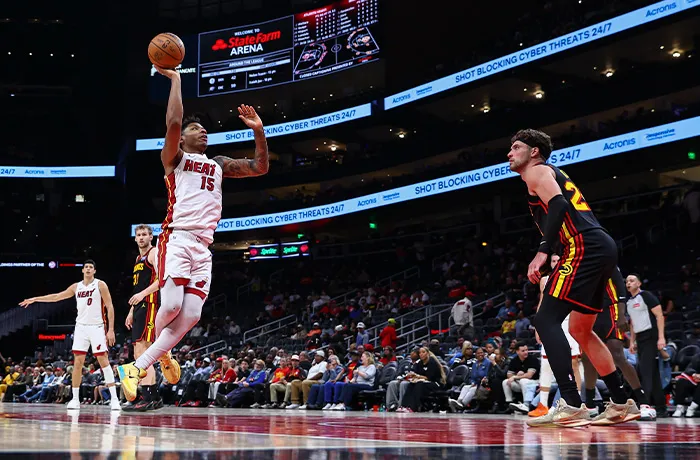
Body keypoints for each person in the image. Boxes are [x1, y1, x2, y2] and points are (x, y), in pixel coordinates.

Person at [118, 65, 269, 402]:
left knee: (192, 314)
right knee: (170, 305)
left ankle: (139, 364)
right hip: (178, 236)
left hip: (204, 247)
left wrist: (258, 131)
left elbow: (260, 167)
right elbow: (173, 122)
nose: (203, 133)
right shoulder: (176, 160)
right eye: (196, 130)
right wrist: (175, 80)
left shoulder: (218, 164)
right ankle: (162, 352)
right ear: (182, 139)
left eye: (204, 130)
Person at [508, 129, 638, 427]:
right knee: (580, 329)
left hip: (583, 246)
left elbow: (559, 205)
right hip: (601, 245)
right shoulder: (551, 172)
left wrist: (542, 251)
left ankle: (571, 403)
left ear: (535, 151)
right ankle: (620, 402)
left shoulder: (535, 171)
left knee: (544, 320)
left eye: (516, 147)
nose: (510, 153)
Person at [19, 260, 121, 411]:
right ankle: (75, 399)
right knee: (77, 363)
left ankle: (114, 399)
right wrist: (36, 299)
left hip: (97, 326)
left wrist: (110, 329)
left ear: (94, 271)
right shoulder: (76, 287)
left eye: (90, 267)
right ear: (82, 271)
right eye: (85, 267)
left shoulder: (100, 285)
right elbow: (57, 296)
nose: (87, 269)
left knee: (103, 361)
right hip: (80, 327)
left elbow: (110, 306)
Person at [582, 268, 657, 419]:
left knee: (617, 354)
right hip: (589, 311)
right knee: (588, 358)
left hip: (611, 309)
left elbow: (620, 287)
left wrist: (622, 314)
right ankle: (589, 405)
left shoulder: (606, 258)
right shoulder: (581, 264)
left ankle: (643, 402)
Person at [527, 254, 582, 419]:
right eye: (553, 261)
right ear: (550, 264)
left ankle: (576, 402)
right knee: (546, 362)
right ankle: (543, 404)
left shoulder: (573, 277)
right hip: (550, 322)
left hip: (569, 322)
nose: (556, 263)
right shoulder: (545, 280)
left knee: (573, 362)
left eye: (559, 260)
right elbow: (542, 304)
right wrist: (538, 327)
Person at [124, 224, 162, 411]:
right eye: (138, 235)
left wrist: (142, 296)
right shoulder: (138, 258)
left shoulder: (154, 253)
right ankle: (152, 397)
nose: (141, 237)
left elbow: (161, 279)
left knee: (144, 353)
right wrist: (131, 311)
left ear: (151, 237)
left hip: (151, 305)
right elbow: (137, 290)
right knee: (138, 353)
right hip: (140, 306)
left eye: (144, 234)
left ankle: (149, 397)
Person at [626, 274, 668, 418]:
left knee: (644, 370)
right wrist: (632, 341)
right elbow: (632, 322)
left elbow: (659, 316)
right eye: (626, 281)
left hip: (651, 336)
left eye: (631, 281)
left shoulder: (646, 296)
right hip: (641, 338)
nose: (628, 283)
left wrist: (661, 337)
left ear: (639, 283)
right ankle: (661, 407)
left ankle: (645, 405)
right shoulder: (628, 302)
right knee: (653, 373)